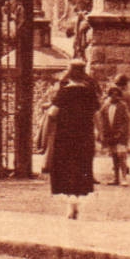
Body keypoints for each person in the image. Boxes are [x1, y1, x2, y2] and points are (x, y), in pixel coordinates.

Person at [46, 61, 99, 218]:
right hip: (84, 136)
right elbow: (97, 115)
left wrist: (48, 132)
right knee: (81, 167)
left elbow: (51, 114)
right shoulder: (90, 92)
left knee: (66, 168)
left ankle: (70, 203)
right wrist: (101, 133)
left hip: (65, 136)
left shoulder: (64, 92)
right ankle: (76, 200)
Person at [98, 75, 130, 185]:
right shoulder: (106, 106)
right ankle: (116, 177)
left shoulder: (122, 106)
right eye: (112, 95)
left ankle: (123, 178)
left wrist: (122, 132)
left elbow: (127, 120)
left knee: (121, 155)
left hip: (120, 135)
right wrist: (103, 133)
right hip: (111, 134)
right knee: (114, 155)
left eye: (116, 95)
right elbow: (102, 118)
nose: (114, 97)